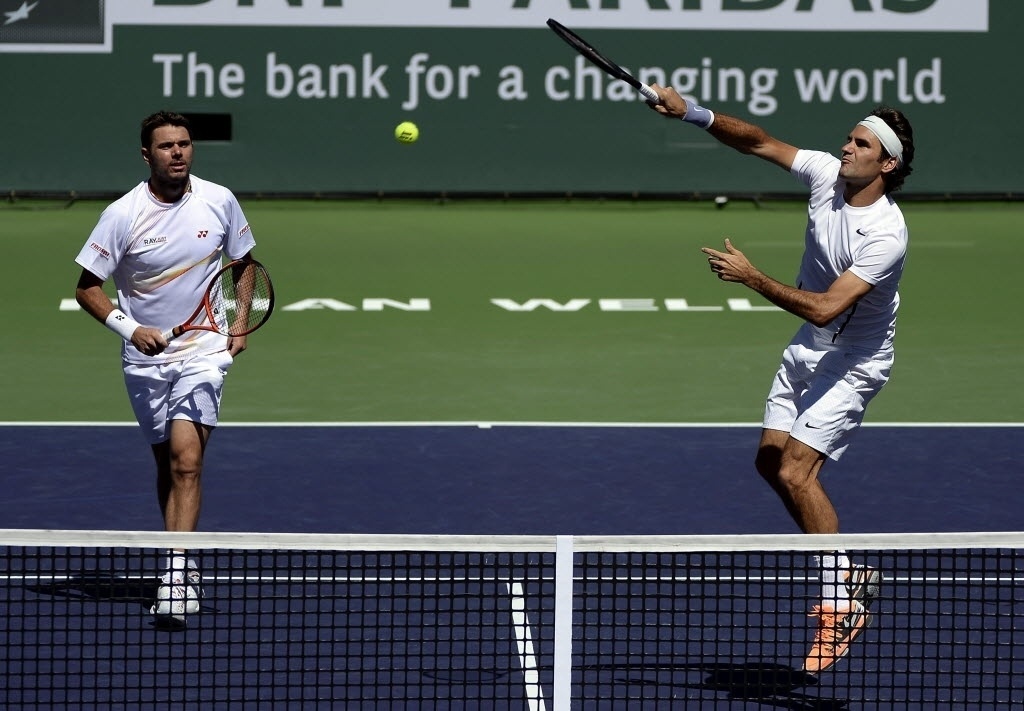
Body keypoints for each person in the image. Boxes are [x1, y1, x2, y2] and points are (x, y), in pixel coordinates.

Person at [649, 88, 914, 674]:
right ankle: (849, 570)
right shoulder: (826, 173)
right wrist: (694, 113)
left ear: (886, 165)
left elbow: (824, 309)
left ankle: (837, 604)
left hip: (855, 359)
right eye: (850, 138)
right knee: (770, 463)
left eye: (861, 144)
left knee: (797, 470)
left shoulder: (886, 235)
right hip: (808, 352)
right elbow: (760, 142)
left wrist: (751, 276)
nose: (847, 147)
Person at [74, 111, 257, 624]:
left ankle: (174, 580)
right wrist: (131, 330)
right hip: (145, 359)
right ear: (146, 155)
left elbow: (244, 267)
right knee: (167, 466)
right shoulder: (122, 214)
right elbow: (88, 288)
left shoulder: (218, 199)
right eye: (166, 146)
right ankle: (184, 555)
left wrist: (238, 326)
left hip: (204, 353)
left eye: (184, 144)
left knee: (186, 461)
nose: (177, 153)